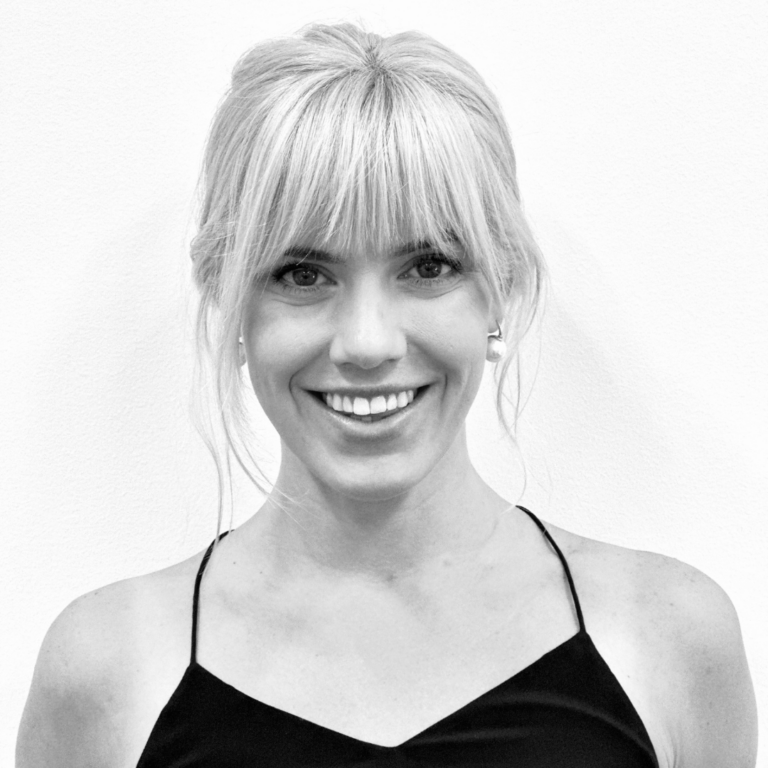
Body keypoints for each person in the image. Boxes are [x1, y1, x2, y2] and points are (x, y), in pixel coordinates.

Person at [16, 21, 757, 768]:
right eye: (303, 274)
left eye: (428, 266)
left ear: (500, 288)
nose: (368, 343)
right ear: (229, 298)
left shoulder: (669, 638)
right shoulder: (106, 670)